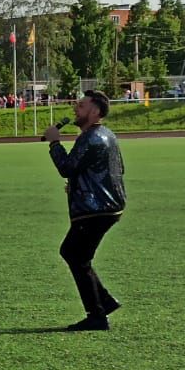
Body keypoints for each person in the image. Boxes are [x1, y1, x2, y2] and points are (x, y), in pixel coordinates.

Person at [43, 91, 126, 331]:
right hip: (109, 206)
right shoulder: (107, 135)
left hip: (95, 209)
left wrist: (54, 142)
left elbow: (67, 167)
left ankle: (97, 315)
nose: (76, 109)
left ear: (95, 111)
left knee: (74, 254)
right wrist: (82, 182)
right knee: (76, 254)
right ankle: (104, 302)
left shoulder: (90, 137)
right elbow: (117, 168)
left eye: (81, 105)